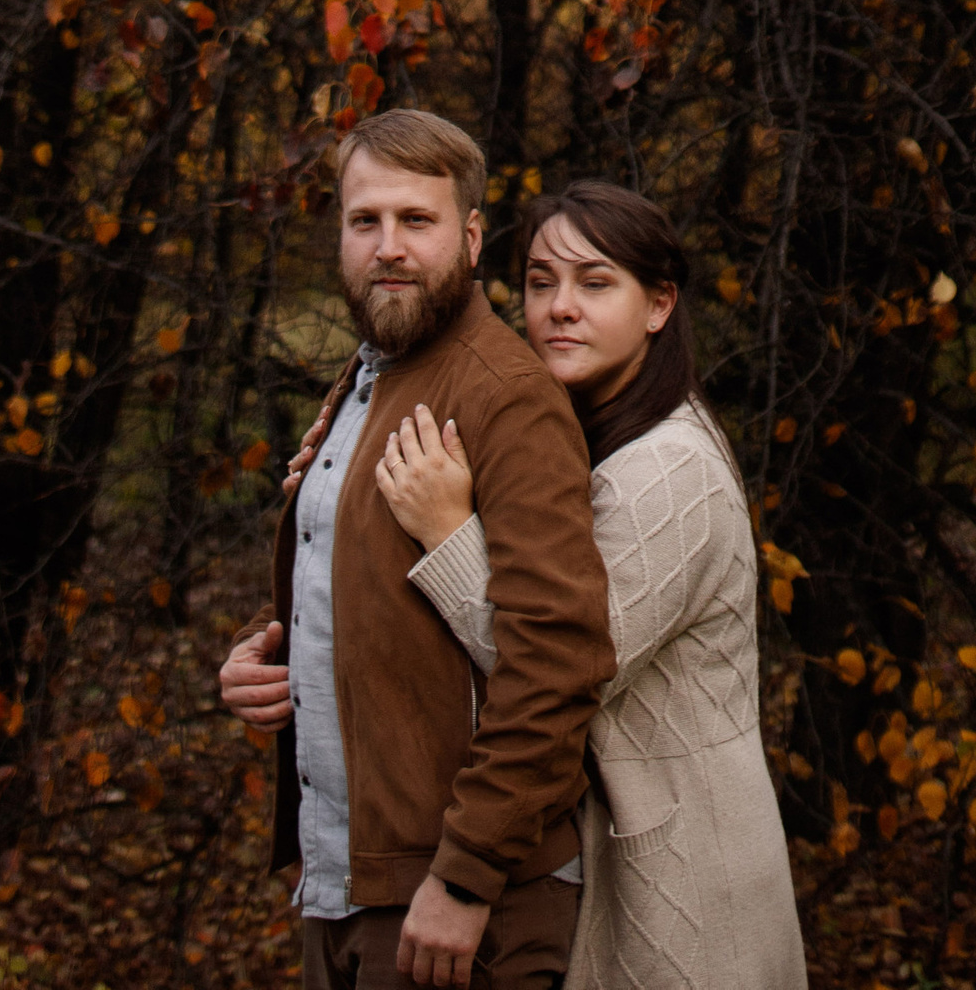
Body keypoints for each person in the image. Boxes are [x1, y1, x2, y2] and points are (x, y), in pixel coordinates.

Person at [370, 180, 807, 990]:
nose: (559, 308)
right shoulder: (596, 439)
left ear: (659, 304)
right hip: (637, 864)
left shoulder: (667, 470)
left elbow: (557, 662)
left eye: (595, 282)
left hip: (687, 893)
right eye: (541, 283)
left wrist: (446, 533)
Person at [218, 107, 615, 990]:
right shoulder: (366, 382)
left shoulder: (504, 396)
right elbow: (352, 582)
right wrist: (262, 646)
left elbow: (560, 661)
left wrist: (467, 873)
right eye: (367, 221)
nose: (388, 246)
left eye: (416, 221)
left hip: (462, 907)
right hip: (348, 885)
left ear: (471, 239)